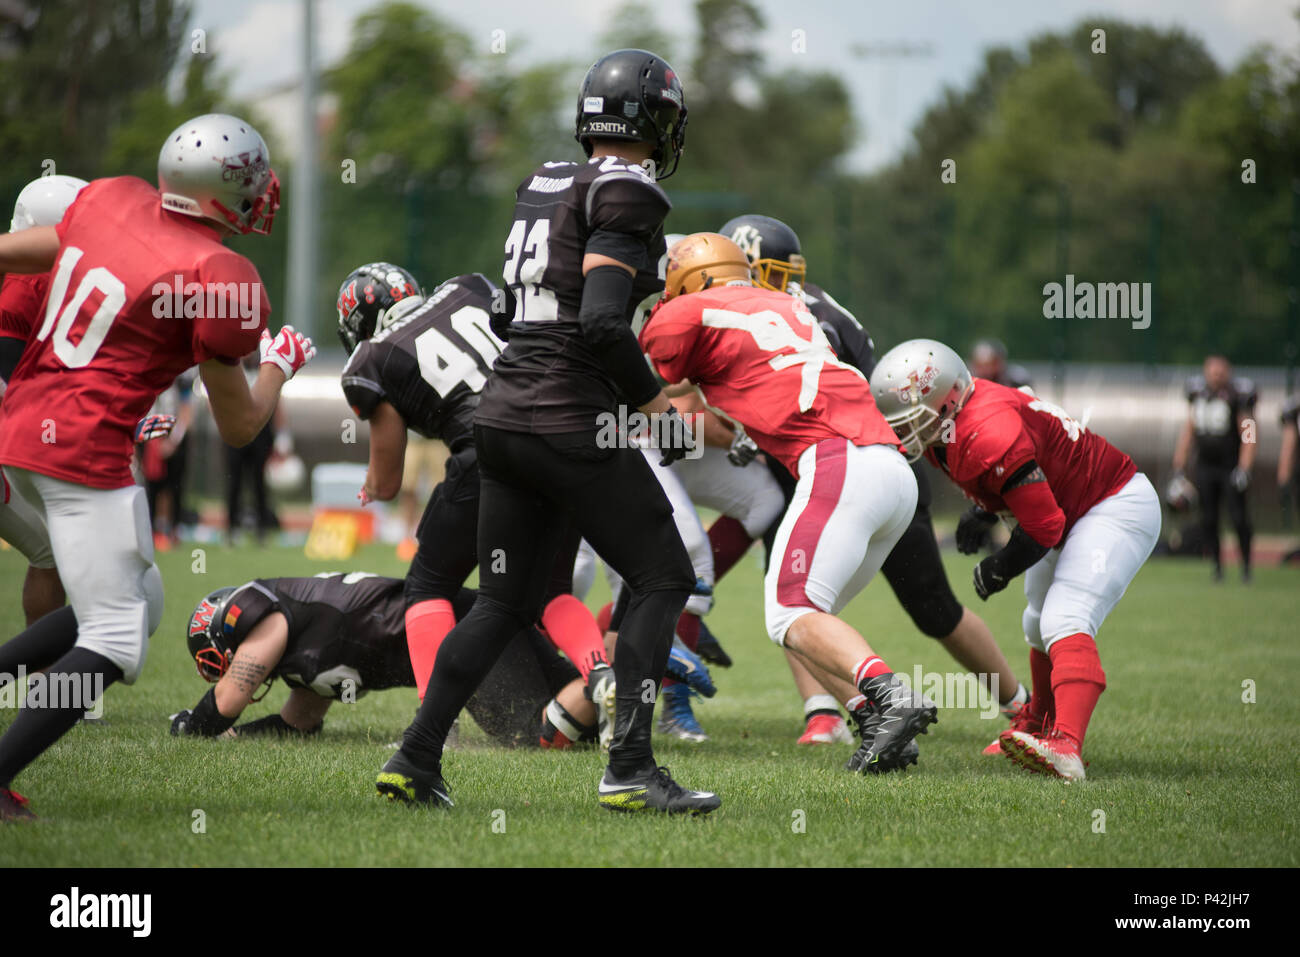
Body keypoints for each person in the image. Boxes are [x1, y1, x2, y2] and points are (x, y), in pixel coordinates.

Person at [375, 49, 717, 815]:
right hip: (569, 419)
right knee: (664, 575)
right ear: (654, 120)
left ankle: (416, 755)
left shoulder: (544, 182)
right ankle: (629, 764)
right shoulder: (628, 187)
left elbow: (510, 311)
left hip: (500, 417)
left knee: (500, 601)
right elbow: (600, 322)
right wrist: (653, 401)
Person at [0, 113, 315, 821]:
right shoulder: (217, 272)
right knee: (115, 634)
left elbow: (44, 250)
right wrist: (278, 367)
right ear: (221, 192)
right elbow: (239, 425)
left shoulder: (110, 198)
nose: (262, 194)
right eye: (251, 183)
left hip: (19, 424)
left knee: (130, 595)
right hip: (81, 449)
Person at [721, 215, 1028, 749]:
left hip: (848, 468)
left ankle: (1011, 707)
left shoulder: (790, 315)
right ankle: (834, 712)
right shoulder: (792, 309)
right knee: (809, 598)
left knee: (825, 603)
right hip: (845, 473)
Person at [641, 233, 938, 775]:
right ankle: (877, 723)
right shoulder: (786, 303)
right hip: (892, 470)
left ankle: (892, 698)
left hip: (836, 461)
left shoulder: (687, 311)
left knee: (792, 611)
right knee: (808, 619)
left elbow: (646, 384)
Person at [336, 262, 615, 743]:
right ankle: (600, 674)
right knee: (550, 590)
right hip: (565, 437)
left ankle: (432, 725)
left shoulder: (371, 359)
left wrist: (369, 485)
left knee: (427, 586)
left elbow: (386, 483)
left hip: (490, 456)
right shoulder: (465, 287)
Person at [870, 339, 1160, 781]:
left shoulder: (988, 429)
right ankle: (1038, 721)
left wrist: (1000, 565)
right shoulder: (949, 427)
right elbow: (1020, 478)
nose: (900, 428)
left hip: (1112, 504)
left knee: (1067, 616)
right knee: (1036, 620)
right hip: (1072, 508)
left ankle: (1066, 744)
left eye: (908, 416)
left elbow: (1044, 527)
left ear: (944, 402)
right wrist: (983, 513)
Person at [170, 574, 600, 749]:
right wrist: (236, 739)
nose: (229, 668)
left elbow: (227, 700)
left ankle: (613, 678)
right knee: (586, 727)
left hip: (464, 627)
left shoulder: (263, 612)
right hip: (466, 622)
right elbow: (298, 724)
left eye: (220, 659)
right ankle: (617, 676)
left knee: (532, 734)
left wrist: (192, 725)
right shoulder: (299, 644)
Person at [0, 175, 87, 625]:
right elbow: (11, 377)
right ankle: (47, 682)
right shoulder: (29, 286)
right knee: (50, 551)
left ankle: (46, 681)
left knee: (50, 551)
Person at [1172, 355, 1257, 581]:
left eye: (1220, 371)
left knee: (1238, 517)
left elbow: (1249, 430)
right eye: (1212, 370)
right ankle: (1217, 567)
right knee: (1209, 519)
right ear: (1205, 371)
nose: (1216, 375)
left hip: (1230, 466)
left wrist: (1245, 466)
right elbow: (1190, 427)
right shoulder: (1198, 394)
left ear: (1228, 372)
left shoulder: (1237, 395)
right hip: (1206, 467)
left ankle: (1247, 566)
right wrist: (1179, 461)